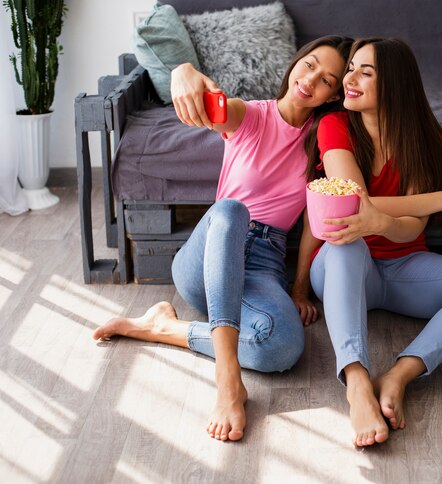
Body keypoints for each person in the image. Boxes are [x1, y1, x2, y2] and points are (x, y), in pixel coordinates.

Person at [92, 35, 353, 442]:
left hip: (265, 262)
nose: (311, 79)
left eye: (327, 80)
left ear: (333, 95)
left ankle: (164, 327)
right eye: (311, 64)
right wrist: (183, 71)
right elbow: (207, 104)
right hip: (211, 253)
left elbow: (313, 219)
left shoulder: (320, 142)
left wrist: (299, 289)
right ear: (297, 61)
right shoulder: (250, 115)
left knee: (284, 349)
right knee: (232, 210)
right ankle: (227, 377)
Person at [302, 38, 442, 447]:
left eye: (366, 72)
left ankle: (400, 374)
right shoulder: (335, 125)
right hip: (344, 270)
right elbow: (348, 203)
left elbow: (411, 228)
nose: (350, 79)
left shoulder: (425, 137)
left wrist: (381, 219)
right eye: (351, 69)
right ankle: (357, 381)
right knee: (347, 237)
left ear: (395, 84)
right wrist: (439, 199)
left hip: (404, 269)